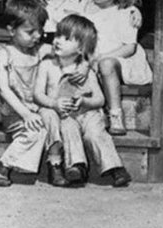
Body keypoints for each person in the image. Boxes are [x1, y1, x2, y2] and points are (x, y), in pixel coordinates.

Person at [35, 14, 132, 187]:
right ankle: (76, 166)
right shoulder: (47, 65)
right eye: (57, 36)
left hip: (87, 113)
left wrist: (85, 102)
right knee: (68, 127)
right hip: (65, 114)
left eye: (66, 39)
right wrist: (54, 104)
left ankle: (116, 168)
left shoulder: (85, 71)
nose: (57, 41)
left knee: (96, 133)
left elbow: (100, 99)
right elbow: (38, 95)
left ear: (81, 49)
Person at [85, 0, 152, 136]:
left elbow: (129, 48)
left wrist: (104, 57)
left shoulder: (125, 12)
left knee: (105, 64)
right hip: (94, 60)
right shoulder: (87, 6)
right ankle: (93, 112)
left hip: (121, 62)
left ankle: (115, 114)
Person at [0, 0, 51, 187]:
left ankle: (58, 166)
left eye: (40, 30)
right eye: (30, 31)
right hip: (15, 111)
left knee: (53, 123)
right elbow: (3, 88)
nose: (37, 36)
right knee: (35, 132)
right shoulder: (5, 54)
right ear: (11, 29)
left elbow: (70, 49)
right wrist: (25, 114)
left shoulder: (40, 51)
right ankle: (3, 165)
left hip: (36, 108)